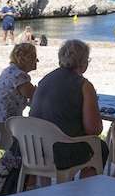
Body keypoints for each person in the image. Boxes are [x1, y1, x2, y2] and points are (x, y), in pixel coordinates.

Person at [29, 39, 108, 176]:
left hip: (34, 148)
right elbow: (94, 130)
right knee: (100, 148)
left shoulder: (45, 80)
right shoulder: (83, 85)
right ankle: (85, 187)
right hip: (60, 153)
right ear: (82, 63)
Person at [0, 42, 37, 123]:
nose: (37, 61)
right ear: (22, 59)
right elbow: (35, 96)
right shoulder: (18, 75)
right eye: (33, 57)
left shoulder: (10, 70)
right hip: (0, 122)